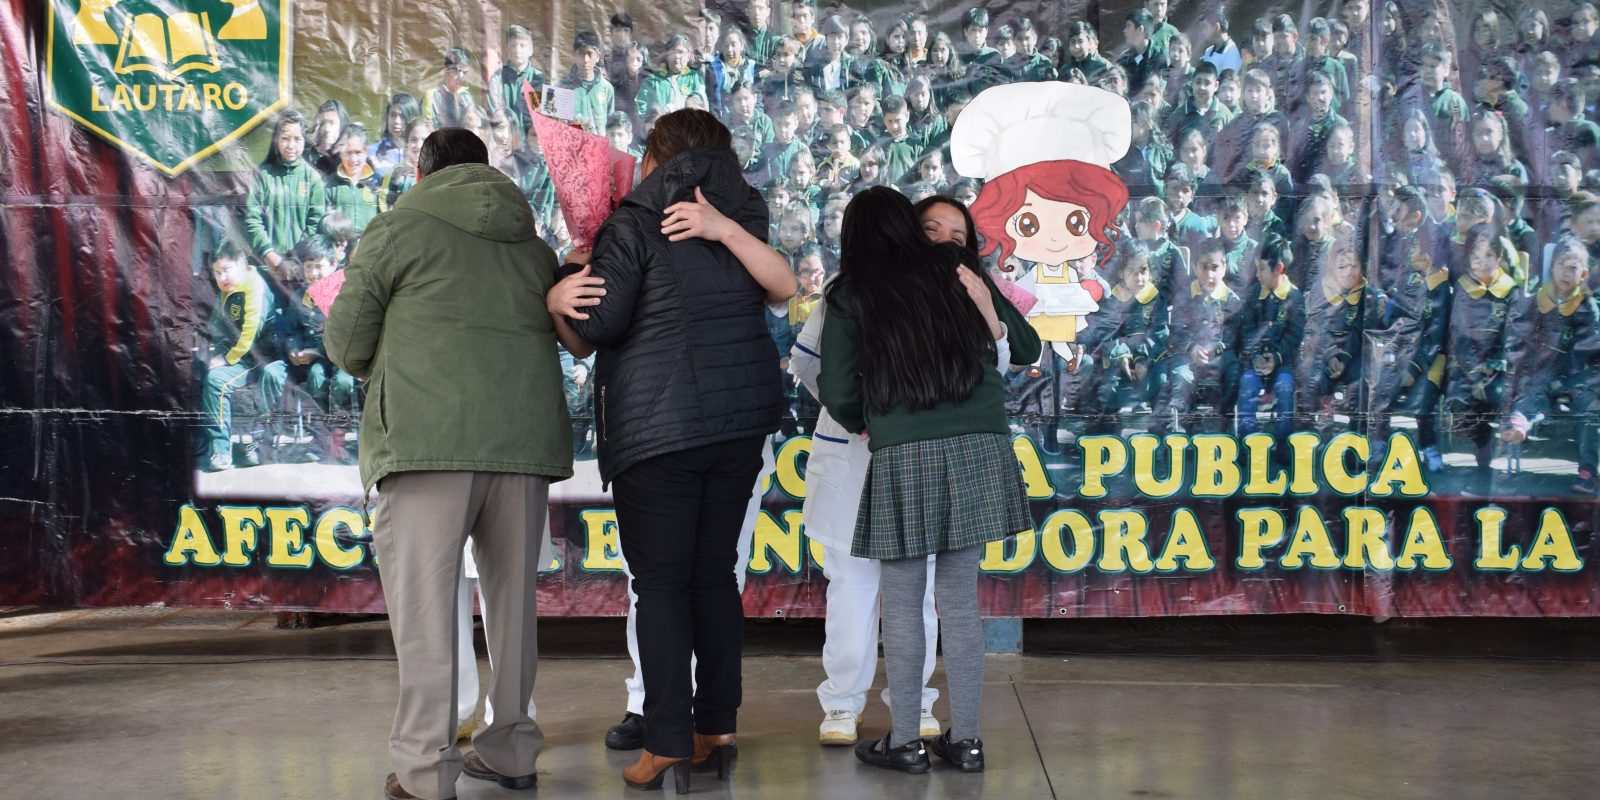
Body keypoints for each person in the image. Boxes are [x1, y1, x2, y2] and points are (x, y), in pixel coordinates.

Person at [543, 108, 794, 791]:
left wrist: (559, 294)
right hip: (739, 425)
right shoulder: (744, 211)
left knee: (659, 587)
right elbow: (783, 285)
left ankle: (665, 744)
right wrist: (725, 229)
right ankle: (717, 729)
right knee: (713, 576)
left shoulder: (634, 221)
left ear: (655, 157)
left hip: (660, 431)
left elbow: (597, 327)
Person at [324, 128, 573, 800]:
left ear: (422, 174)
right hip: (522, 444)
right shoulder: (533, 247)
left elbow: (345, 342)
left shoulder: (396, 230)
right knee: (513, 611)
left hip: (426, 443)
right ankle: (513, 751)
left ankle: (427, 770)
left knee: (426, 612)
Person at [792, 195, 1035, 748]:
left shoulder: (948, 280)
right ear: (909, 229)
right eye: (933, 229)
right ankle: (959, 739)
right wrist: (873, 423)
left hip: (906, 454)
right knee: (932, 597)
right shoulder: (863, 288)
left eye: (958, 235)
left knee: (908, 601)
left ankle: (907, 736)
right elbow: (817, 370)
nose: (946, 242)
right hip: (947, 449)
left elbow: (1018, 347)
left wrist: (879, 424)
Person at [245, 111, 327, 273]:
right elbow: (252, 218)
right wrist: (270, 255)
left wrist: (296, 258)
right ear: (276, 140)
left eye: (297, 139)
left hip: (302, 268)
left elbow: (315, 223)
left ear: (304, 140)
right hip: (266, 265)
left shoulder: (312, 178)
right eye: (285, 138)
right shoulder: (263, 175)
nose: (291, 146)